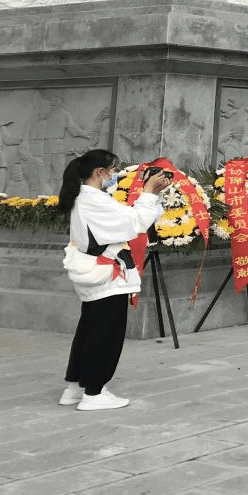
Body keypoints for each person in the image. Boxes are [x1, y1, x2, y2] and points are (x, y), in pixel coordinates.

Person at [57, 150, 170, 411]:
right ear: (100, 172)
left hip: (96, 273)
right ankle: (94, 393)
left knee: (88, 330)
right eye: (112, 169)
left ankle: (75, 387)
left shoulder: (83, 197)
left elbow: (128, 220)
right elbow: (135, 222)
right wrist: (150, 192)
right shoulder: (94, 199)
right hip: (108, 276)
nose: (114, 175)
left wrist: (152, 193)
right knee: (105, 334)